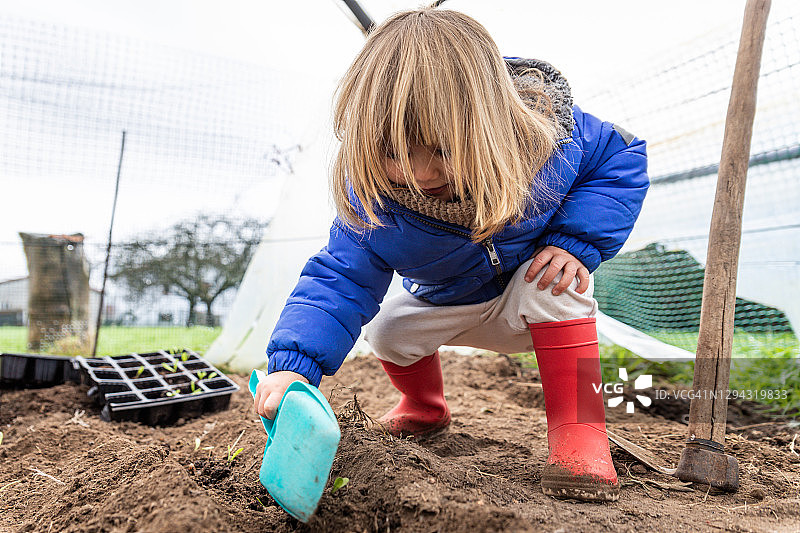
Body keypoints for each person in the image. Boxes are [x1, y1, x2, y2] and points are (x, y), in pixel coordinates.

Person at [253, 8, 648, 503]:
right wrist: (294, 365)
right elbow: (339, 280)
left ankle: (580, 436)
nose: (420, 172)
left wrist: (574, 245)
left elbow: (622, 157)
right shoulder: (375, 202)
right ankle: (424, 406)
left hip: (532, 301)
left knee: (558, 283)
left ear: (485, 122)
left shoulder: (546, 138)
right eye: (395, 153)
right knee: (387, 329)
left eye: (440, 149)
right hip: (452, 301)